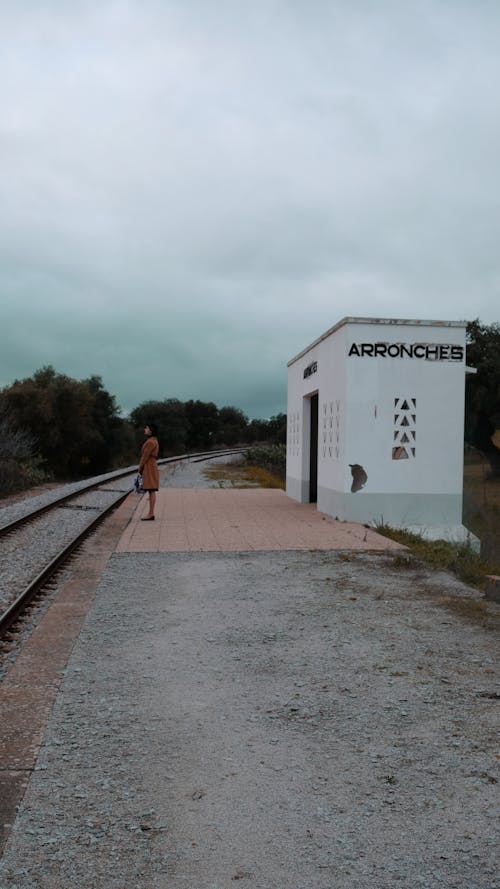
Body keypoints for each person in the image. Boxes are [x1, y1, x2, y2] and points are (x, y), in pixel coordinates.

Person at [139, 424, 159, 520]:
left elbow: (145, 457)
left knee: (151, 490)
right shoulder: (153, 440)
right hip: (151, 466)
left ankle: (151, 514)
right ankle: (151, 513)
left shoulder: (150, 442)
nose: (145, 429)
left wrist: (140, 468)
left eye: (146, 428)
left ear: (151, 431)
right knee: (152, 490)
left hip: (149, 467)